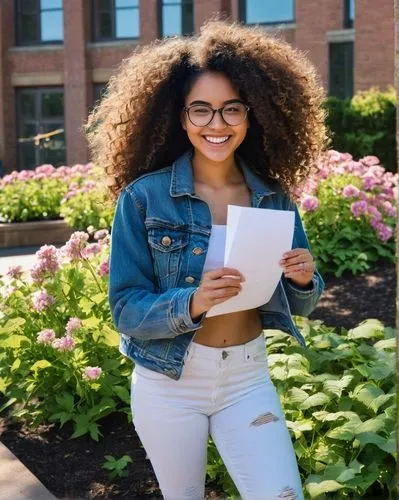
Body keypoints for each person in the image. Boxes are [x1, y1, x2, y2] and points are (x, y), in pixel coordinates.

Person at [87, 19, 327, 500]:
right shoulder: (143, 199)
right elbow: (127, 309)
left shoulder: (273, 199)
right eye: (201, 110)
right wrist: (193, 302)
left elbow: (300, 305)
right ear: (180, 118)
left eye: (231, 110)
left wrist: (303, 280)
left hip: (247, 377)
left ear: (250, 115)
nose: (216, 125)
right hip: (169, 382)